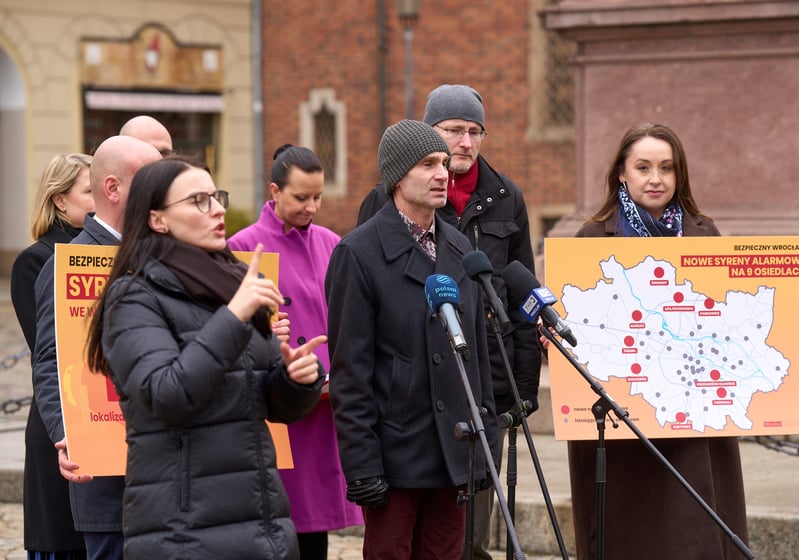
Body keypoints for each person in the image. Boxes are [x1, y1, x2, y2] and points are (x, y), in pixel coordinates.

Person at [554, 122, 799, 560]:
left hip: (695, 429)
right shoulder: (591, 239)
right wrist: (556, 338)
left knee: (693, 534)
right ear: (622, 173)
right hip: (625, 432)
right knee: (629, 538)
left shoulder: (703, 233)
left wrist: (797, 313)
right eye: (643, 167)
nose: (655, 178)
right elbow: (572, 325)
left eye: (666, 168)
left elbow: (737, 317)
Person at [83, 156, 326, 559]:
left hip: (259, 515)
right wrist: (234, 316)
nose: (218, 209)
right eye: (198, 200)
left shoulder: (233, 282)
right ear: (158, 220)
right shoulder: (133, 296)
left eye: (216, 197)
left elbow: (260, 401)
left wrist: (296, 380)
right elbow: (166, 395)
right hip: (183, 527)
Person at [357, 85, 542, 558]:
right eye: (454, 132)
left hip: (482, 387)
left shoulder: (505, 197)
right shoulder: (379, 210)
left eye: (474, 132)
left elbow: (520, 294)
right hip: (409, 400)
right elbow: (359, 336)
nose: (464, 143)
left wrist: (521, 385)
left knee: (468, 536)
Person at [326, 119, 499, 558]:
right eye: (428, 164)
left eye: (443, 163)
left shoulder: (461, 251)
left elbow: (477, 357)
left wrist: (486, 448)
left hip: (454, 453)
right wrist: (363, 466)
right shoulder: (358, 254)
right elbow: (351, 372)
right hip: (396, 458)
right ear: (398, 175)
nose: (443, 173)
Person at [227, 144, 363, 559]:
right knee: (280, 516)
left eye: (318, 196)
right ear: (274, 191)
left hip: (325, 403)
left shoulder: (331, 242)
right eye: (301, 197)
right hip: (277, 406)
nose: (312, 206)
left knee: (315, 524)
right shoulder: (243, 245)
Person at [31, 136, 162, 560]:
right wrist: (67, 434)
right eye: (151, 182)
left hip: (166, 469)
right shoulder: (69, 261)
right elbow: (51, 359)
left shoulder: (166, 253)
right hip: (108, 477)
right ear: (113, 188)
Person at [11, 153, 94, 560]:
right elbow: (51, 353)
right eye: (89, 191)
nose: (100, 199)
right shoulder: (36, 260)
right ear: (60, 200)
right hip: (60, 423)